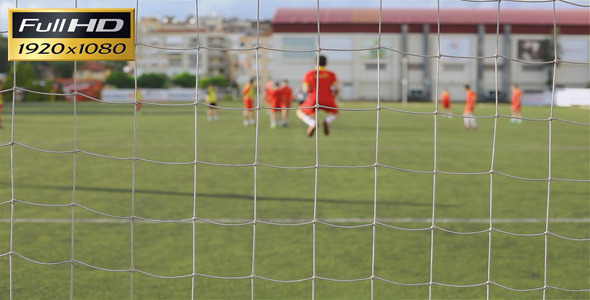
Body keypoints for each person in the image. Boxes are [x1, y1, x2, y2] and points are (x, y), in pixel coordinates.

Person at [296, 55, 339, 137]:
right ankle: (327, 121)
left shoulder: (309, 74)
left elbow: (305, 89)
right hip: (328, 99)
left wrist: (312, 90)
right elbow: (336, 89)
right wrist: (333, 97)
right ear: (326, 63)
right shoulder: (331, 74)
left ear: (315, 62)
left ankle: (312, 123)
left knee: (299, 111)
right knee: (336, 112)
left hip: (313, 98)